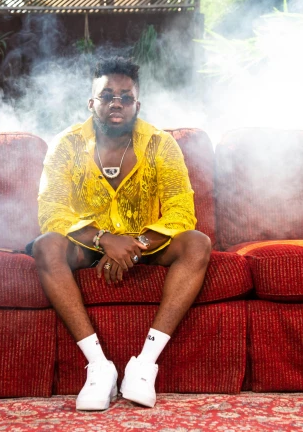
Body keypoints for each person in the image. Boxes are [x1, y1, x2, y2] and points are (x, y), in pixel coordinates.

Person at [29, 57, 211, 410]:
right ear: (91, 102)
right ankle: (99, 368)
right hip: (87, 244)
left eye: (125, 97)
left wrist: (134, 247)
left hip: (147, 241)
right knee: (46, 246)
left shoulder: (160, 144)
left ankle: (143, 366)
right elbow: (52, 210)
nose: (116, 103)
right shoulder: (66, 144)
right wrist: (104, 240)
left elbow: (180, 211)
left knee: (197, 243)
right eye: (107, 95)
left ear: (136, 105)